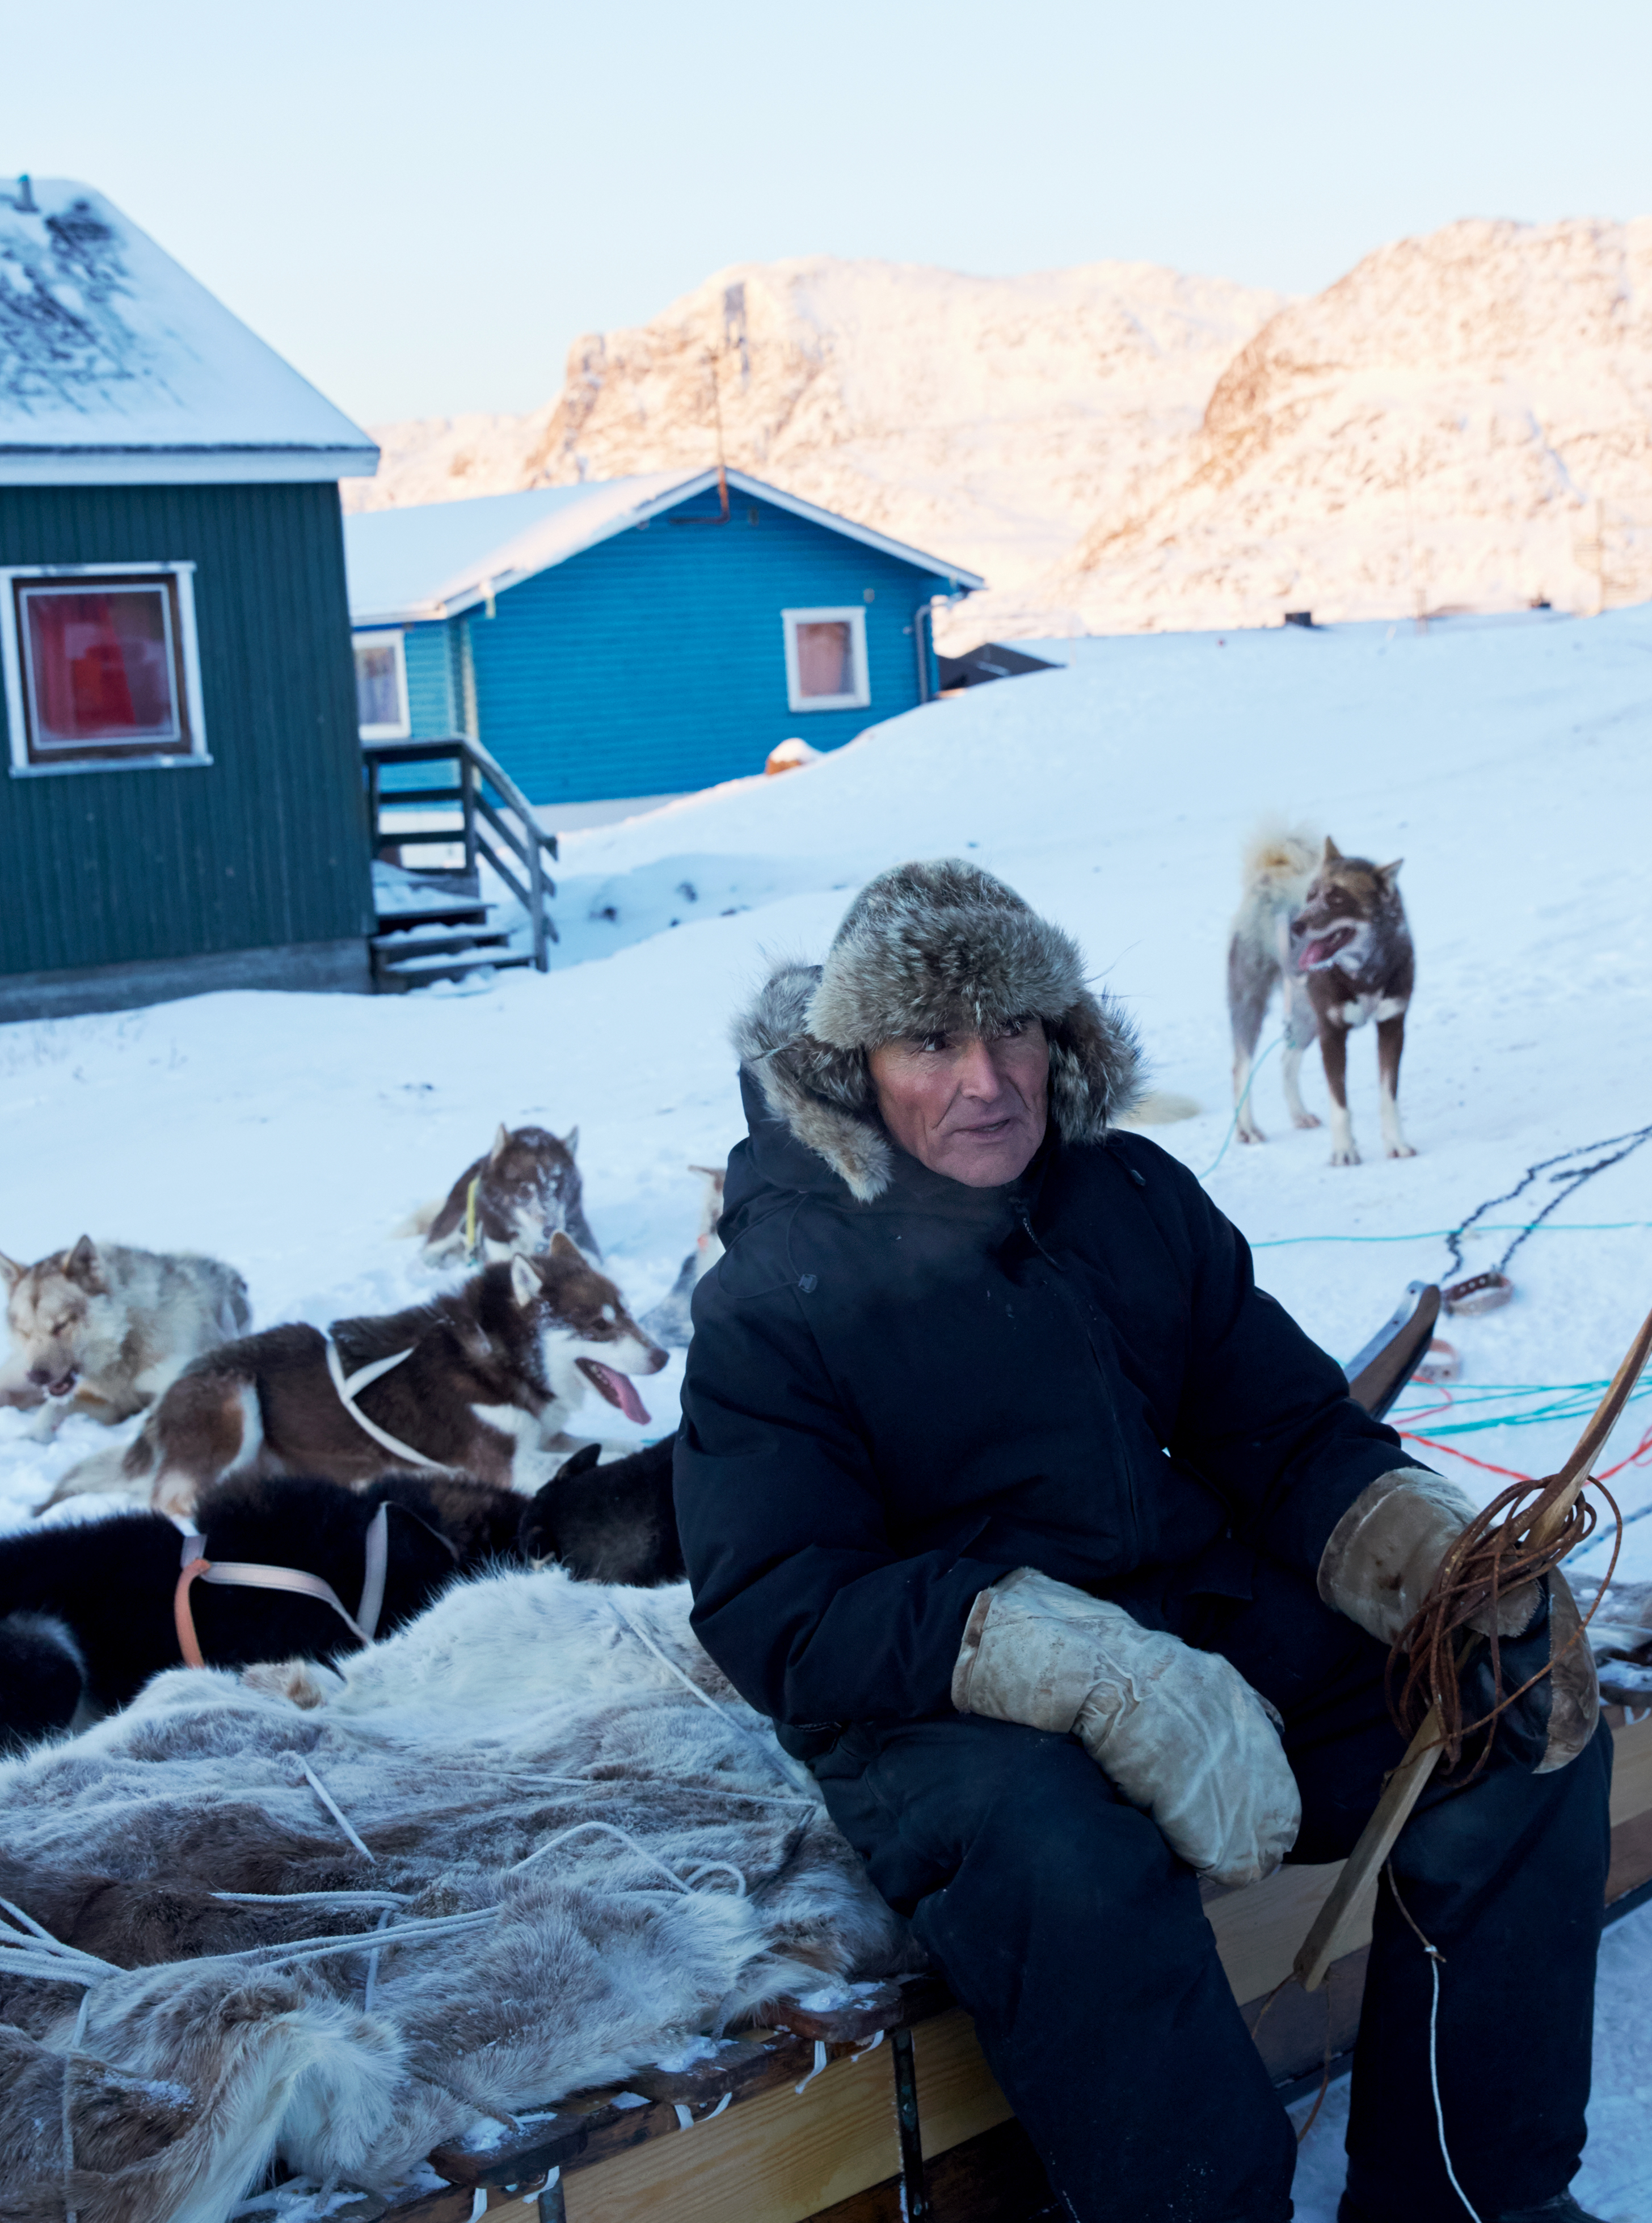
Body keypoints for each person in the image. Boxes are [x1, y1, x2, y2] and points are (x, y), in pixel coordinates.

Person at [673, 859, 1609, 2223]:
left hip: (1187, 1605)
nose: (988, 1078)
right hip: (938, 1692)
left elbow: (1284, 1427)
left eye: (1015, 1029)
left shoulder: (1127, 1195)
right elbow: (783, 1604)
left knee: (1511, 1697)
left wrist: (1427, 1553)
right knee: (1071, 1859)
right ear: (855, 1062)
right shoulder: (777, 1289)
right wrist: (1077, 1664)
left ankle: (1472, 2196)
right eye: (934, 1039)